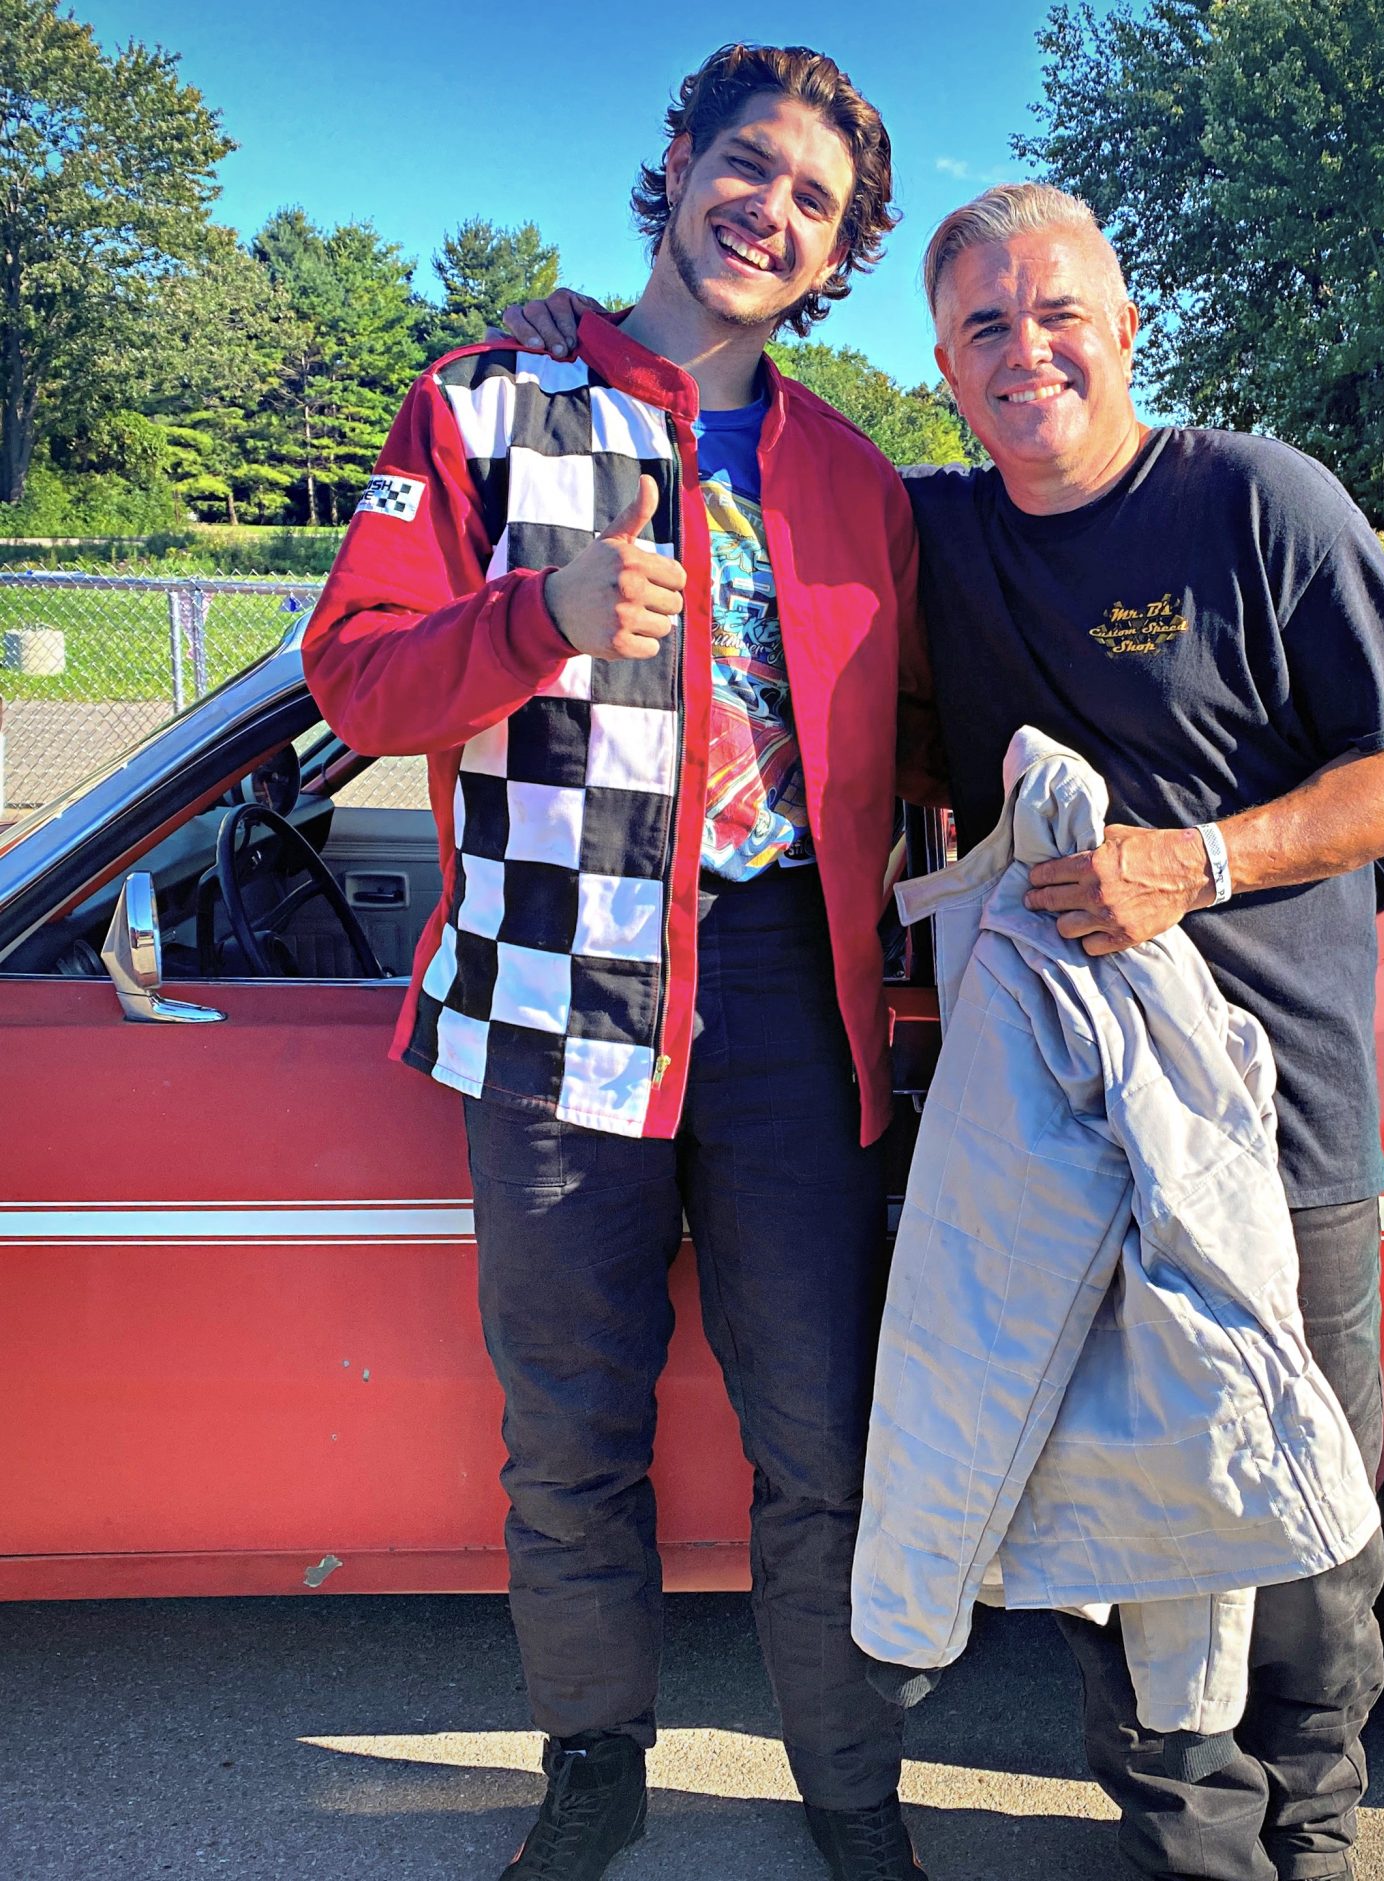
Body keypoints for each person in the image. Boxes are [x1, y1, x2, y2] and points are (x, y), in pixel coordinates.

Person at [503, 179, 1384, 1880]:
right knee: (1112, 1506)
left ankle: (1313, 1835)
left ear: (1124, 329)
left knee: (1304, 1532)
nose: (1026, 352)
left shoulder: (1261, 506)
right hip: (1049, 1122)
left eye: (1057, 315)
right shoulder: (930, 530)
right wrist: (546, 353)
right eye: (983, 330)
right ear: (943, 366)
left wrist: (1206, 860)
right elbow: (795, 634)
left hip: (1281, 1112)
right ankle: (1194, 1847)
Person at [304, 43, 932, 1881]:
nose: (771, 212)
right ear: (675, 165)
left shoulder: (856, 476)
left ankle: (850, 1789)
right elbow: (355, 678)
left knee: (825, 1433)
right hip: (548, 992)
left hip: (783, 1014)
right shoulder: (485, 402)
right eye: (748, 167)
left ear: (838, 254)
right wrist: (545, 612)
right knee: (568, 1424)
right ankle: (594, 1761)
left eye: (813, 202)